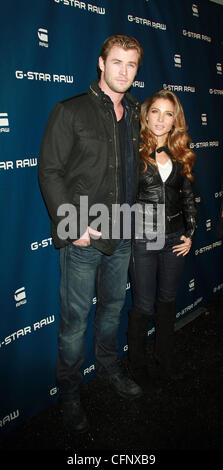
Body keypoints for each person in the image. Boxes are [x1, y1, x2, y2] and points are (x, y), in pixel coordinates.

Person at [38, 34, 144, 432]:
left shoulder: (135, 113)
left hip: (122, 232)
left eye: (131, 65)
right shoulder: (70, 111)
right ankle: (68, 392)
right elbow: (49, 170)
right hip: (83, 233)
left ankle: (108, 368)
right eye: (116, 62)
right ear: (101, 64)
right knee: (75, 319)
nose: (123, 71)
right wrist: (73, 225)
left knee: (113, 309)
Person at [128, 90, 197, 389]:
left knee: (167, 302)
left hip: (174, 239)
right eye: (155, 111)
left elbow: (188, 197)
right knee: (143, 305)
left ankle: (165, 361)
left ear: (175, 120)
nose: (160, 119)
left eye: (168, 113)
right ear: (146, 115)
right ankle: (137, 367)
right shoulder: (133, 149)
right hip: (144, 238)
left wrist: (191, 233)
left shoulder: (181, 152)